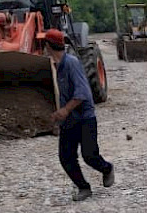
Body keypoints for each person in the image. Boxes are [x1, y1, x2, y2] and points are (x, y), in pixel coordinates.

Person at [43, 28, 114, 202]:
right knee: (66, 157)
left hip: (84, 118)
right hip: (69, 120)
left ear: (48, 46)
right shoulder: (55, 67)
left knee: (89, 155)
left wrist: (65, 110)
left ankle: (107, 169)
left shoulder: (71, 63)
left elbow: (82, 93)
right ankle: (84, 187)